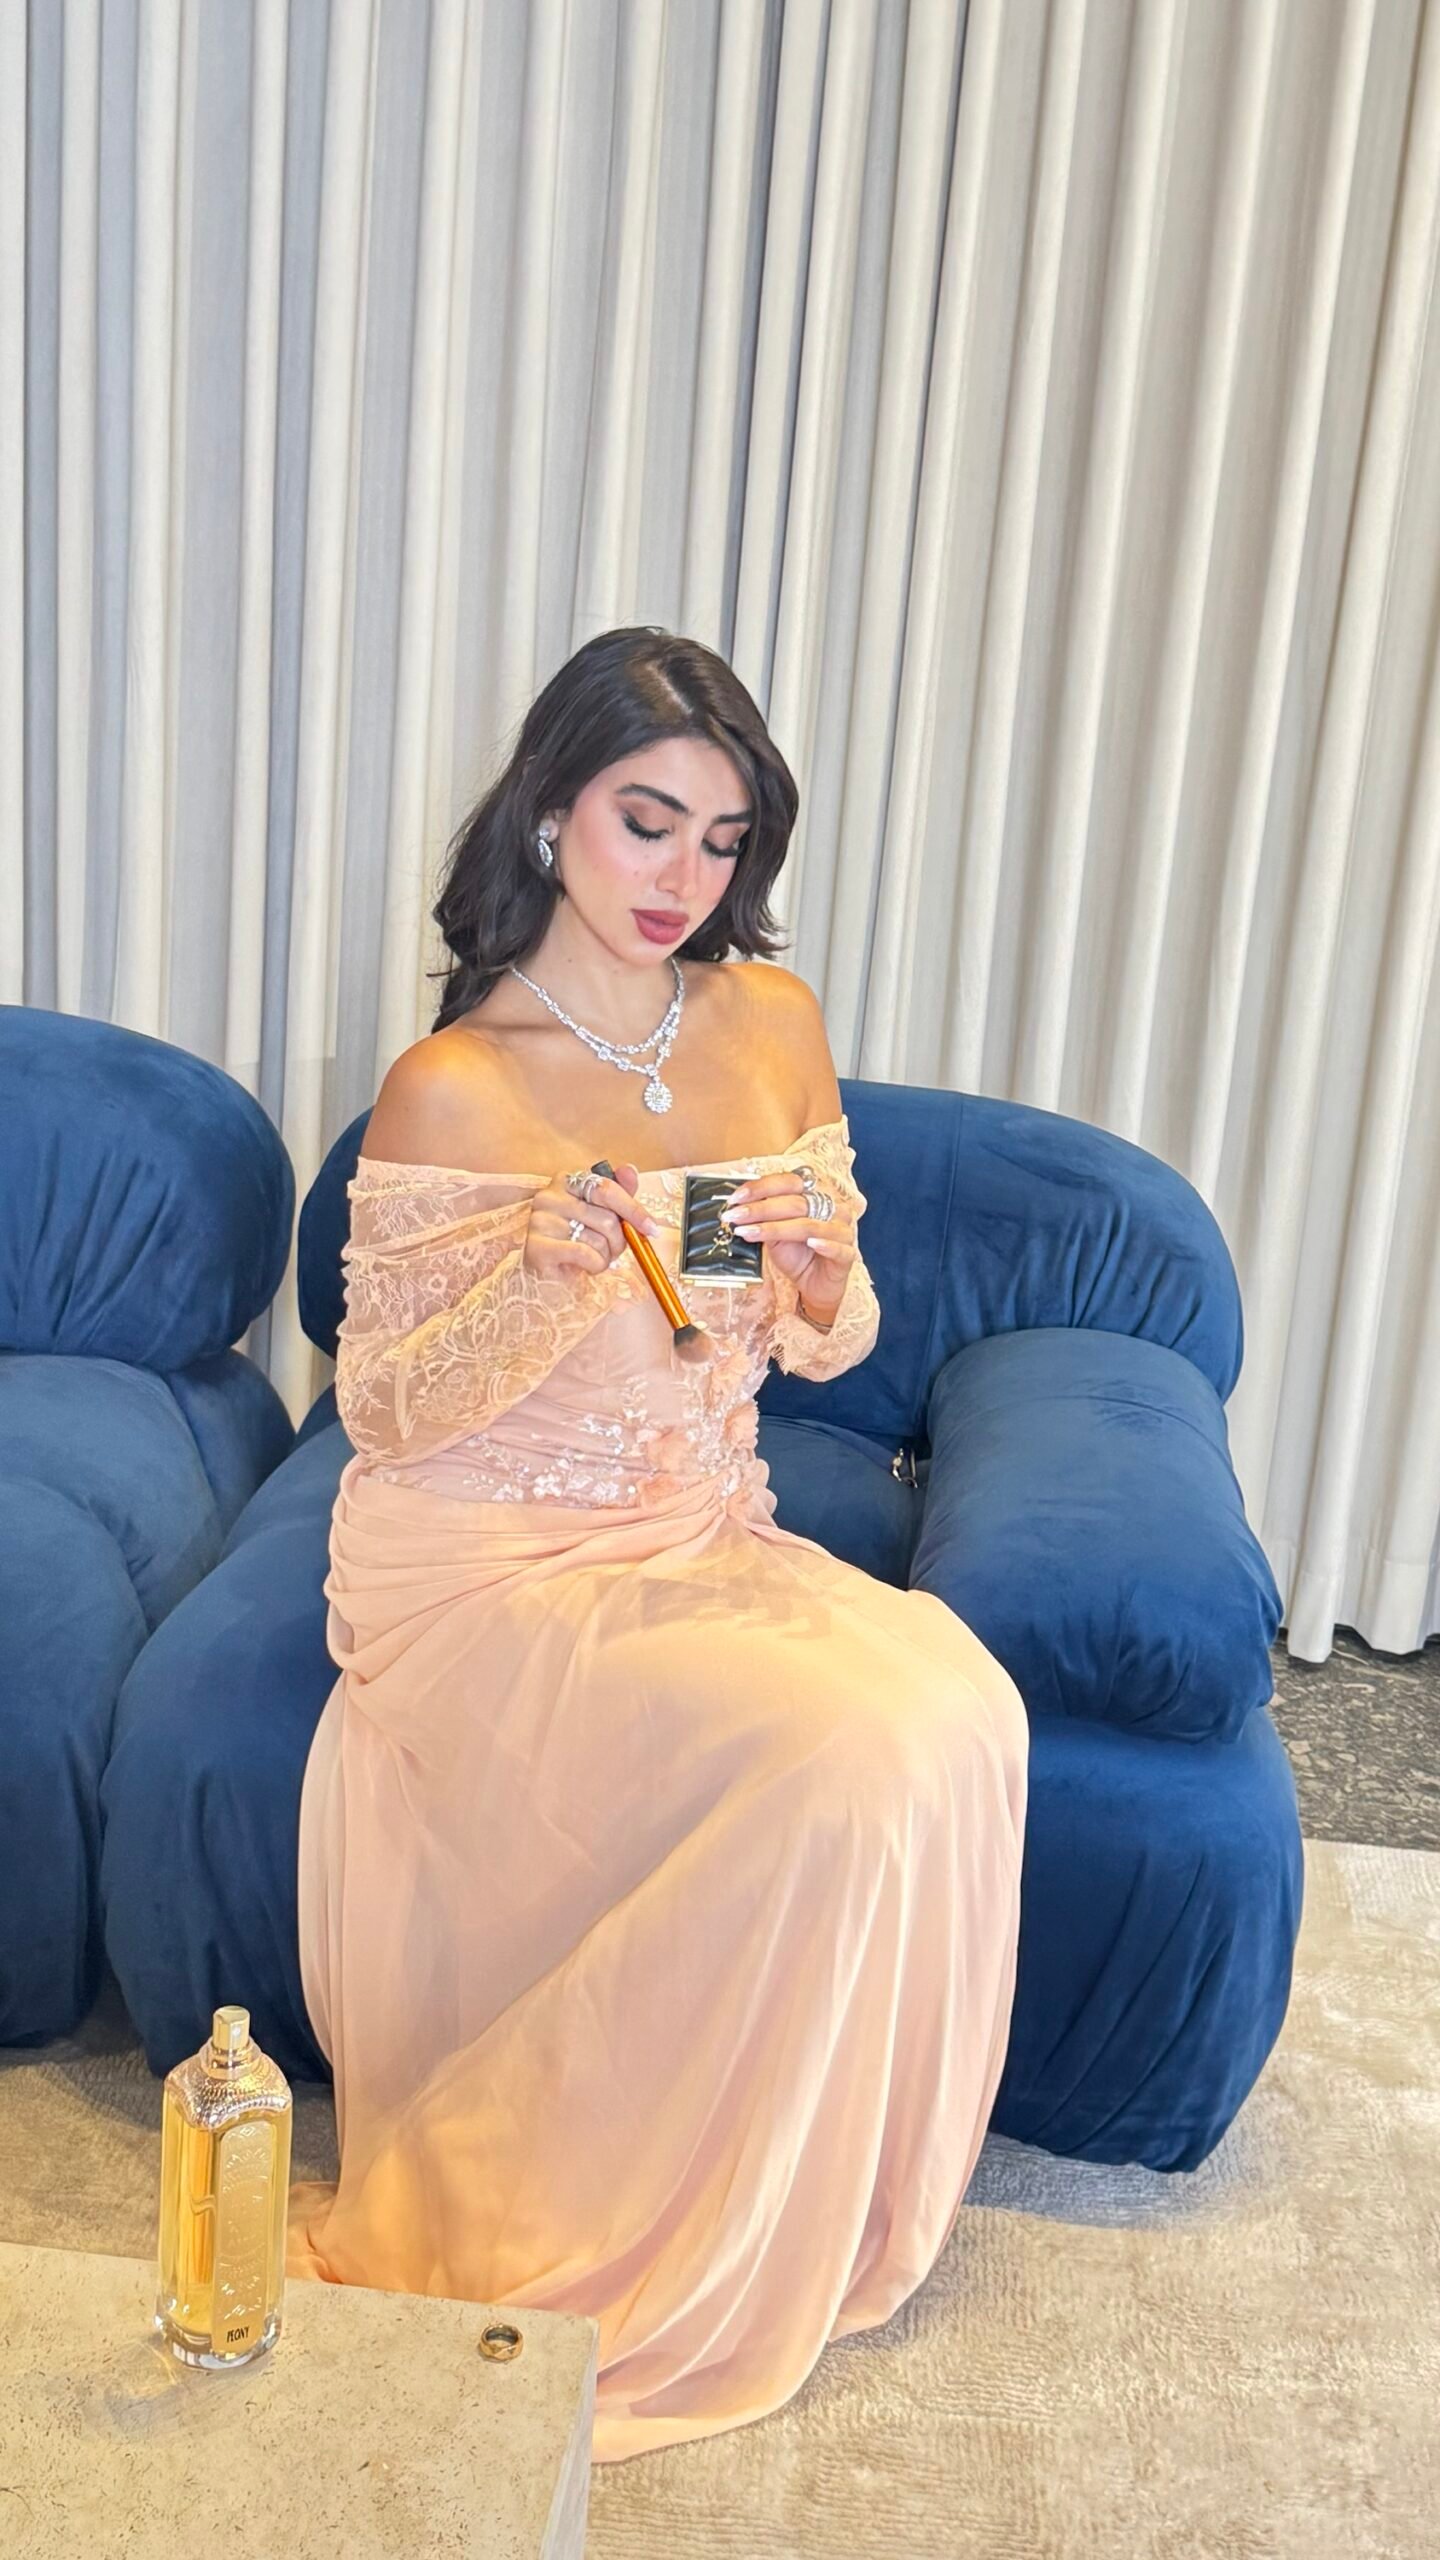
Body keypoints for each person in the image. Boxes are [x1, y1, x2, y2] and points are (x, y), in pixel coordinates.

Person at [285, 626, 1029, 2466]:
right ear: (552, 812)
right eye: (646, 821)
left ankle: (798, 2193)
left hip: (696, 1529)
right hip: (485, 1568)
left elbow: (829, 1339)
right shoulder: (457, 1083)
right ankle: (622, 2212)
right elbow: (388, 1412)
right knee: (846, 1751)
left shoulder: (770, 1024)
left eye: (723, 839)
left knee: (961, 1707)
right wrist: (539, 1282)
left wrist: (822, 1278)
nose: (682, 877)